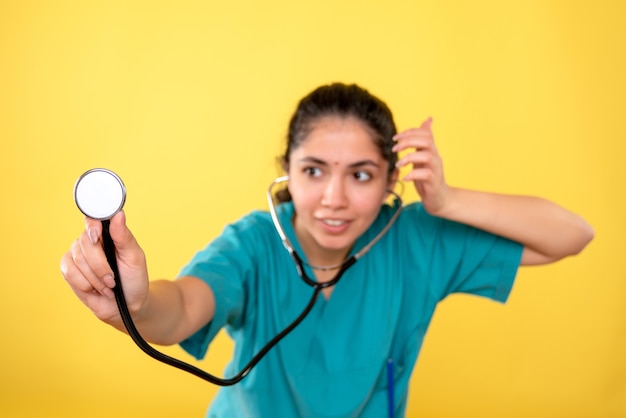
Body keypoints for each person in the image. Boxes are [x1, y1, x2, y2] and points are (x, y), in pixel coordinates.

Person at [60, 83, 594, 417]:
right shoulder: (255, 243)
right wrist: (135, 305)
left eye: (361, 175)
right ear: (287, 172)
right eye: (314, 171)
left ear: (391, 182)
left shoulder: (415, 239)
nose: (334, 200)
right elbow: (181, 307)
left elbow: (572, 234)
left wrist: (449, 200)